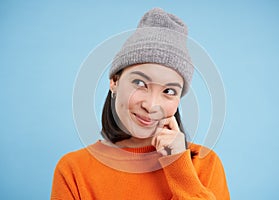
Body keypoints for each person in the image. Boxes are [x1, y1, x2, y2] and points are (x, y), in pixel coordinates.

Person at [51, 8, 230, 200]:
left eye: (169, 91)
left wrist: (178, 165)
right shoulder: (73, 170)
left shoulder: (205, 164)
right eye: (140, 83)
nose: (152, 105)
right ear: (114, 81)